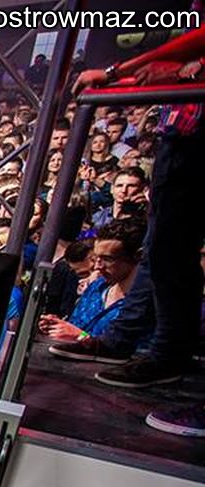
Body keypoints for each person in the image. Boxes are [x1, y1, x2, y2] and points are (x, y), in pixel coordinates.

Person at [58, 25, 205, 436]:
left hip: (196, 128)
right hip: (185, 130)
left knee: (169, 249)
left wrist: (121, 71)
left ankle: (164, 354)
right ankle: (136, 344)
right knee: (163, 248)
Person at [39, 222, 142, 344]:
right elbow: (75, 327)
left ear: (138, 257)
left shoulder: (143, 304)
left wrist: (81, 336)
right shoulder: (96, 288)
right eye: (96, 258)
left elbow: (131, 349)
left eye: (107, 259)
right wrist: (59, 326)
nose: (98, 266)